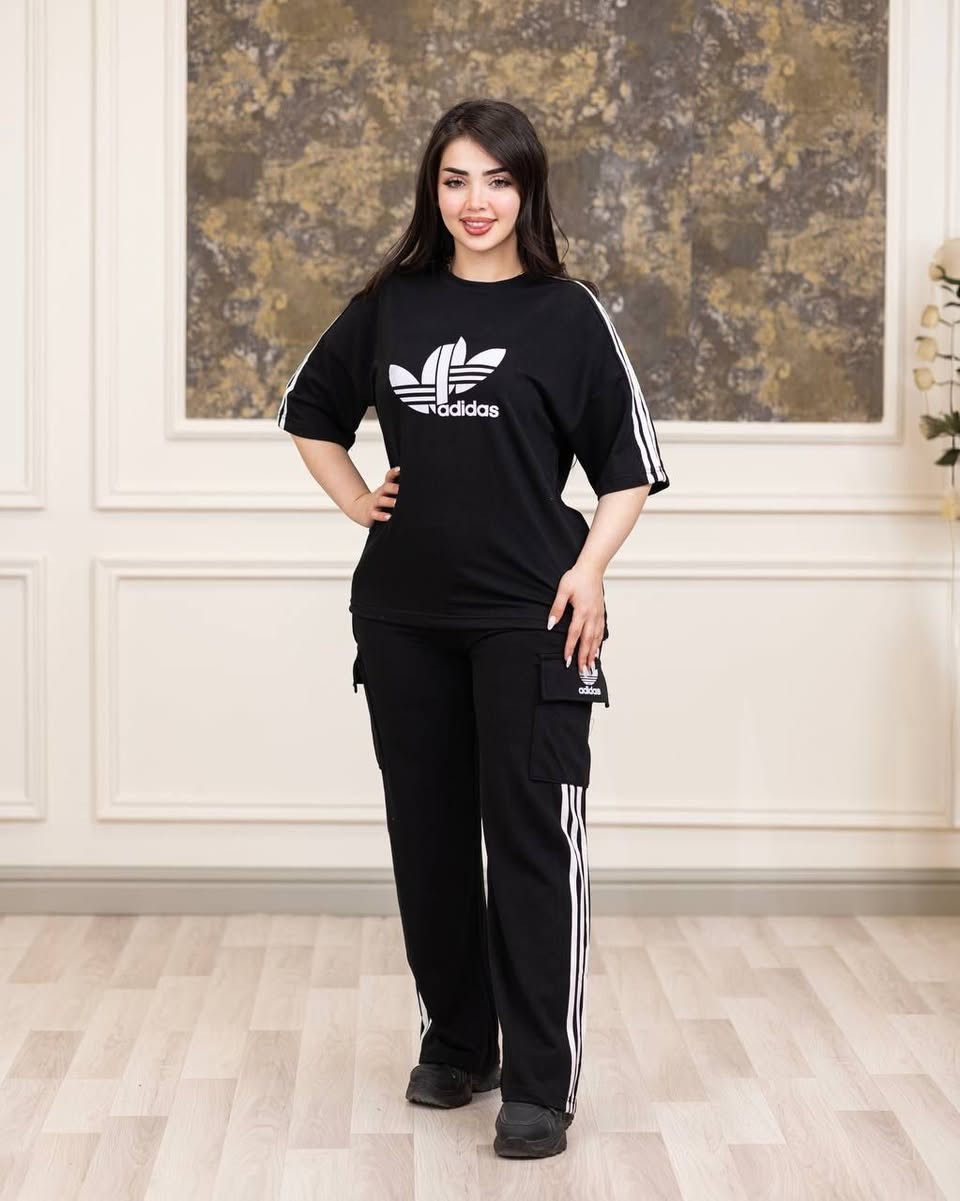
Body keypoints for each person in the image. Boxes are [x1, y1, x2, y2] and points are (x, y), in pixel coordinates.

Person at [276, 97, 669, 1159]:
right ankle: (458, 1039)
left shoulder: (568, 315)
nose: (476, 201)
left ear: (526, 188)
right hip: (402, 616)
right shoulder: (390, 304)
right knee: (430, 839)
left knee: (532, 841)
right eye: (456, 180)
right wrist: (357, 499)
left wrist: (590, 569)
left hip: (531, 617)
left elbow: (629, 468)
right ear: (432, 191)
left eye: (497, 180)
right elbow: (309, 412)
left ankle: (540, 1081)